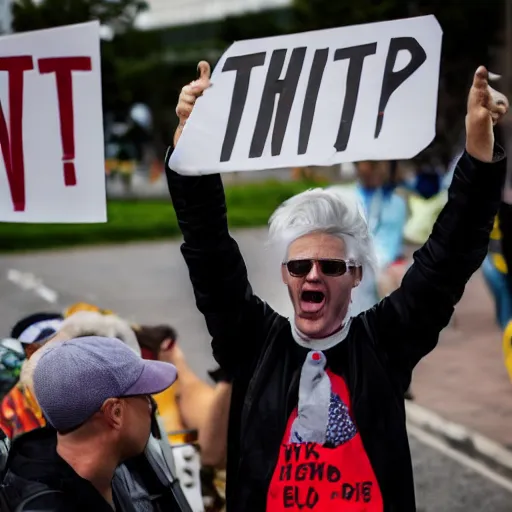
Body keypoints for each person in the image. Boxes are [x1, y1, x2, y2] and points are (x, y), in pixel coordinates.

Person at [166, 61, 508, 512]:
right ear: (286, 275)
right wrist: (191, 143)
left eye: (330, 265)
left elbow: (450, 256)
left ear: (356, 276)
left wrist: (479, 153)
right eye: (300, 265)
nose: (313, 275)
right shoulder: (252, 344)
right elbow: (208, 248)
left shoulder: (385, 343)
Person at [1, 336, 179, 511]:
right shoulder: (49, 506)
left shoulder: (105, 477)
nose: (151, 407)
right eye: (146, 396)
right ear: (115, 412)